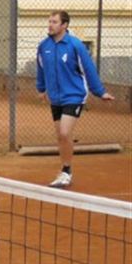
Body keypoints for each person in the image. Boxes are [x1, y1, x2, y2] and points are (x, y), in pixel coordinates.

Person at [36, 10, 114, 188]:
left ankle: (66, 172)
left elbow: (88, 69)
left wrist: (99, 92)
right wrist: (41, 88)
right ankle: (65, 169)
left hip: (74, 95)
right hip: (55, 98)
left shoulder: (75, 45)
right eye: (49, 21)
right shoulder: (43, 46)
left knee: (64, 132)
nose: (50, 25)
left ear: (64, 25)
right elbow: (41, 69)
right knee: (61, 136)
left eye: (54, 22)